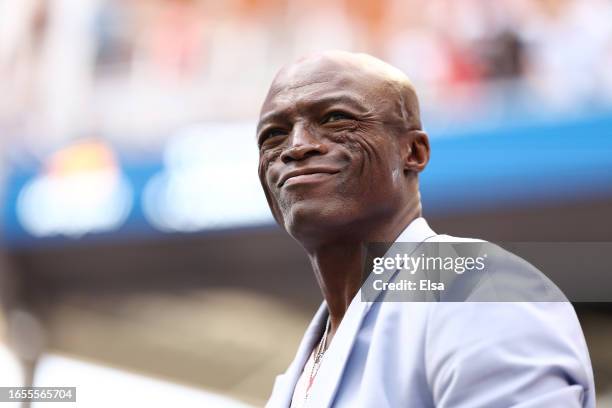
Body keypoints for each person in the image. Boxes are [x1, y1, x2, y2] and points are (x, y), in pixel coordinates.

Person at [256, 51, 595, 407]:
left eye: (336, 118)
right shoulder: (299, 371)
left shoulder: (478, 289)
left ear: (413, 152)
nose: (297, 146)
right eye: (274, 134)